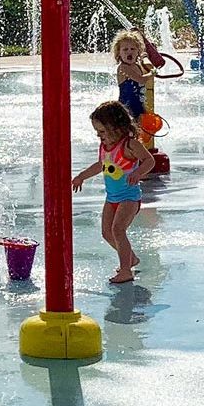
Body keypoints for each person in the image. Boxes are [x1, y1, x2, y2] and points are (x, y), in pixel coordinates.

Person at [70, 101, 156, 284]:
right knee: (106, 233)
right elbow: (100, 165)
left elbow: (149, 161)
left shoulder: (130, 145)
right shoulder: (105, 147)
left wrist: (138, 172)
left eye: (102, 131)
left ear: (117, 128)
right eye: (97, 132)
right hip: (112, 197)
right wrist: (81, 176)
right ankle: (130, 258)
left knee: (118, 230)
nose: (99, 135)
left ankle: (126, 270)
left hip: (129, 197)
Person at [112, 30, 153, 123]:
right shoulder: (123, 68)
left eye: (133, 49)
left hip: (138, 105)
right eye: (125, 49)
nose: (129, 52)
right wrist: (152, 73)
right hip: (126, 108)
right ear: (119, 53)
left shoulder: (137, 65)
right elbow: (141, 80)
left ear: (138, 51)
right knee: (130, 131)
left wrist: (143, 58)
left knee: (141, 132)